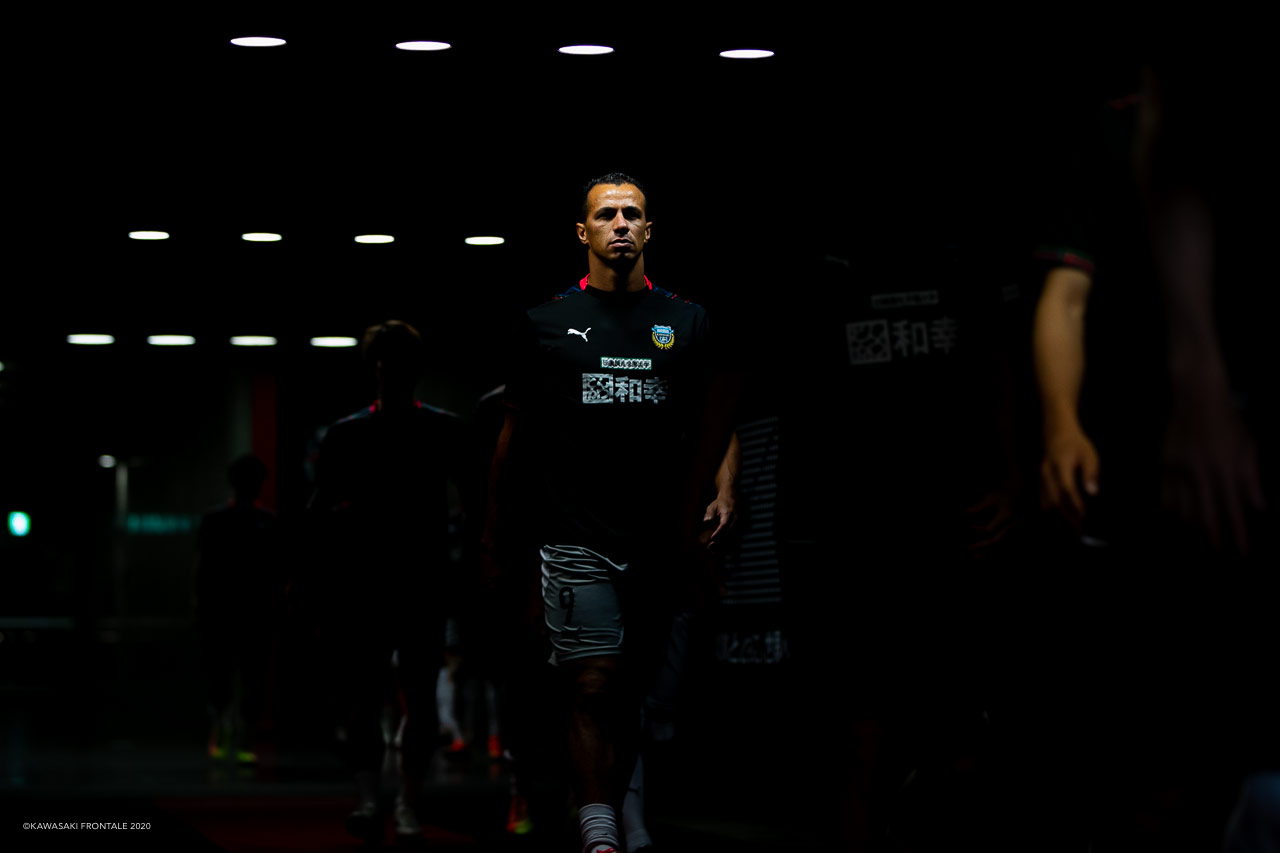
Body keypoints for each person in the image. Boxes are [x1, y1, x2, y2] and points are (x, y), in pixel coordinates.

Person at [481, 173, 739, 853]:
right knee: (592, 682)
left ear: (649, 229)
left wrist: (724, 486)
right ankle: (599, 831)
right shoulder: (543, 323)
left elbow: (716, 421)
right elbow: (514, 440)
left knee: (632, 694)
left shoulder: (688, 321)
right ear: (583, 232)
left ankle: (608, 809)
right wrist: (495, 541)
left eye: (632, 213)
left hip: (659, 540)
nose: (620, 223)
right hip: (575, 536)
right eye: (606, 215)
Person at [307, 320, 465, 845]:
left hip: (413, 584)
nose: (390, 372)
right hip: (370, 585)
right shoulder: (351, 433)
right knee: (369, 699)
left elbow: (476, 507)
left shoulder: (440, 430)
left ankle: (399, 803)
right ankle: (379, 801)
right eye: (385, 363)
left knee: (415, 700)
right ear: (374, 368)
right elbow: (318, 515)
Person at [195, 454, 283, 765]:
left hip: (246, 612)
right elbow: (204, 570)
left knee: (248, 677)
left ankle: (236, 730)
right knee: (226, 676)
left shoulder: (264, 523)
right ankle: (228, 728)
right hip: (229, 612)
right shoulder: (222, 521)